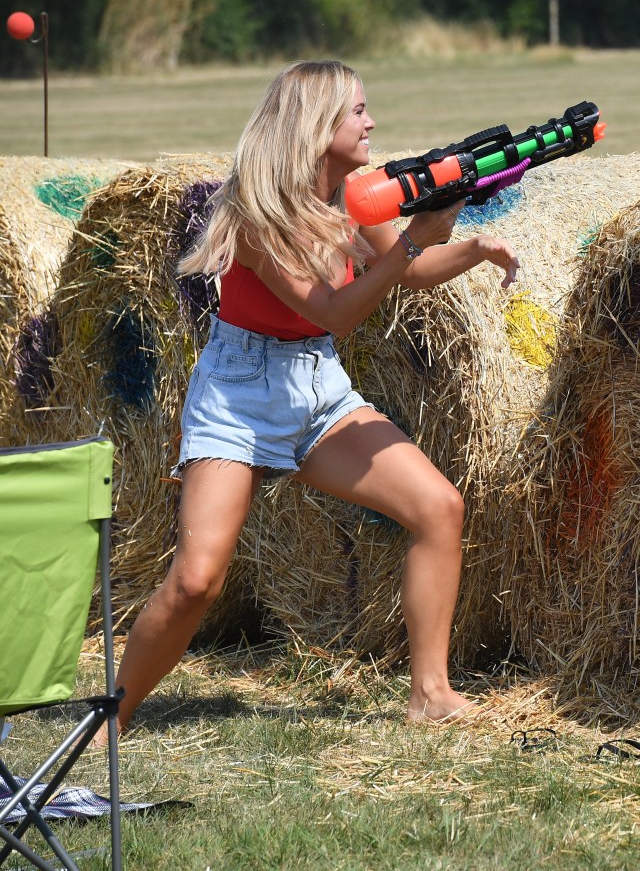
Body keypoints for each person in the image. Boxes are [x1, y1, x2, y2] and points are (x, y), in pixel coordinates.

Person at [98, 59, 520, 740]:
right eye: (358, 110)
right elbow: (336, 311)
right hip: (239, 393)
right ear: (319, 124)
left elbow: (404, 272)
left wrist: (471, 246)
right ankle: (109, 718)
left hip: (318, 386)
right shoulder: (256, 207)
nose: (372, 121)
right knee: (197, 581)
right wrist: (415, 238)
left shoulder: (356, 192)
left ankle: (432, 694)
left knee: (438, 508)